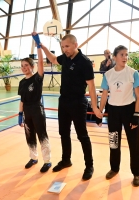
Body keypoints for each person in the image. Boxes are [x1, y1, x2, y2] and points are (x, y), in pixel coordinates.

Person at [34, 33, 102, 180]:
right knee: (63, 133)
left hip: (78, 102)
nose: (65, 49)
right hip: (63, 101)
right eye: (63, 46)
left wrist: (95, 107)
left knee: (82, 135)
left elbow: (91, 87)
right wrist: (42, 46)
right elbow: (52, 59)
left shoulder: (85, 62)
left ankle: (89, 165)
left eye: (67, 46)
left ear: (75, 45)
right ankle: (66, 160)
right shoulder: (65, 57)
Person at [96, 45, 139, 187]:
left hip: (129, 111)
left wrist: (136, 114)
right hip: (114, 112)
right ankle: (114, 168)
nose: (125, 57)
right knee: (114, 141)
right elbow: (104, 95)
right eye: (122, 54)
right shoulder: (108, 74)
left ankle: (137, 173)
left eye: (126, 54)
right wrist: (100, 112)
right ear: (115, 57)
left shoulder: (133, 73)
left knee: (134, 144)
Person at [17, 32, 51, 173]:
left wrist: (38, 44)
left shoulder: (37, 78)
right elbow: (22, 100)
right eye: (22, 66)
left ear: (32, 66)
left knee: (41, 134)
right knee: (29, 136)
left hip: (37, 109)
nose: (24, 67)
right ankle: (33, 157)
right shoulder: (21, 82)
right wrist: (20, 114)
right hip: (27, 111)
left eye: (26, 65)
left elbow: (41, 62)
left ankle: (47, 161)